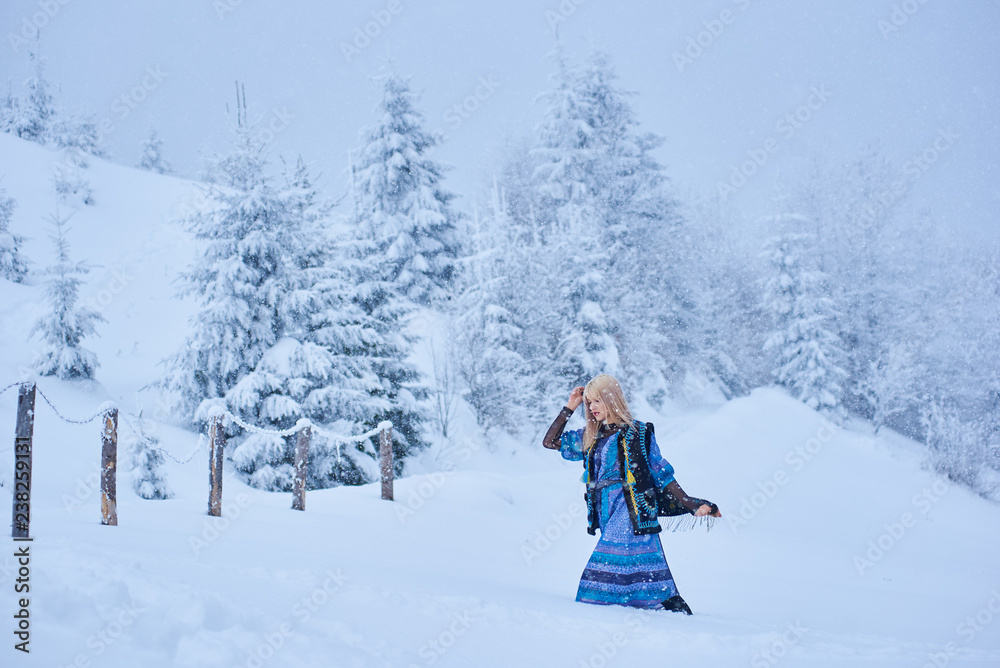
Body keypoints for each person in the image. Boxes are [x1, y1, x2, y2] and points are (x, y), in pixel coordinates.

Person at [542, 374, 721, 614]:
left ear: (611, 398)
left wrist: (690, 504)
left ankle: (596, 613)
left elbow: (661, 473)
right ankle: (652, 606)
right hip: (606, 509)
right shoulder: (590, 436)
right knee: (633, 563)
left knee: (601, 569)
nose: (592, 407)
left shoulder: (638, 432)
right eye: (589, 402)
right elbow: (550, 442)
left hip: (631, 508)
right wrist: (570, 406)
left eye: (597, 401)